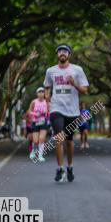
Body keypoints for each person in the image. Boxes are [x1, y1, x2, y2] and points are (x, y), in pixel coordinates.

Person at [43, 44, 89, 182]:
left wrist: (74, 83)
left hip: (72, 111)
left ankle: (70, 166)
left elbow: (85, 90)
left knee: (69, 142)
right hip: (56, 108)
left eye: (65, 51)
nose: (62, 53)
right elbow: (47, 87)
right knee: (58, 138)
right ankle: (60, 168)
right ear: (57, 54)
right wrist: (47, 99)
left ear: (69, 54)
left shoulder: (77, 70)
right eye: (59, 51)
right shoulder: (50, 71)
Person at [27, 87, 50, 162]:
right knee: (36, 141)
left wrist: (46, 113)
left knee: (41, 139)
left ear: (44, 94)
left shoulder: (46, 102)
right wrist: (35, 114)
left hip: (43, 122)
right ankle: (33, 151)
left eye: (42, 92)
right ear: (37, 94)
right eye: (39, 92)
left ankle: (40, 155)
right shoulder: (34, 102)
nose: (41, 94)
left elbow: (49, 112)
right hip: (35, 122)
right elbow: (29, 111)